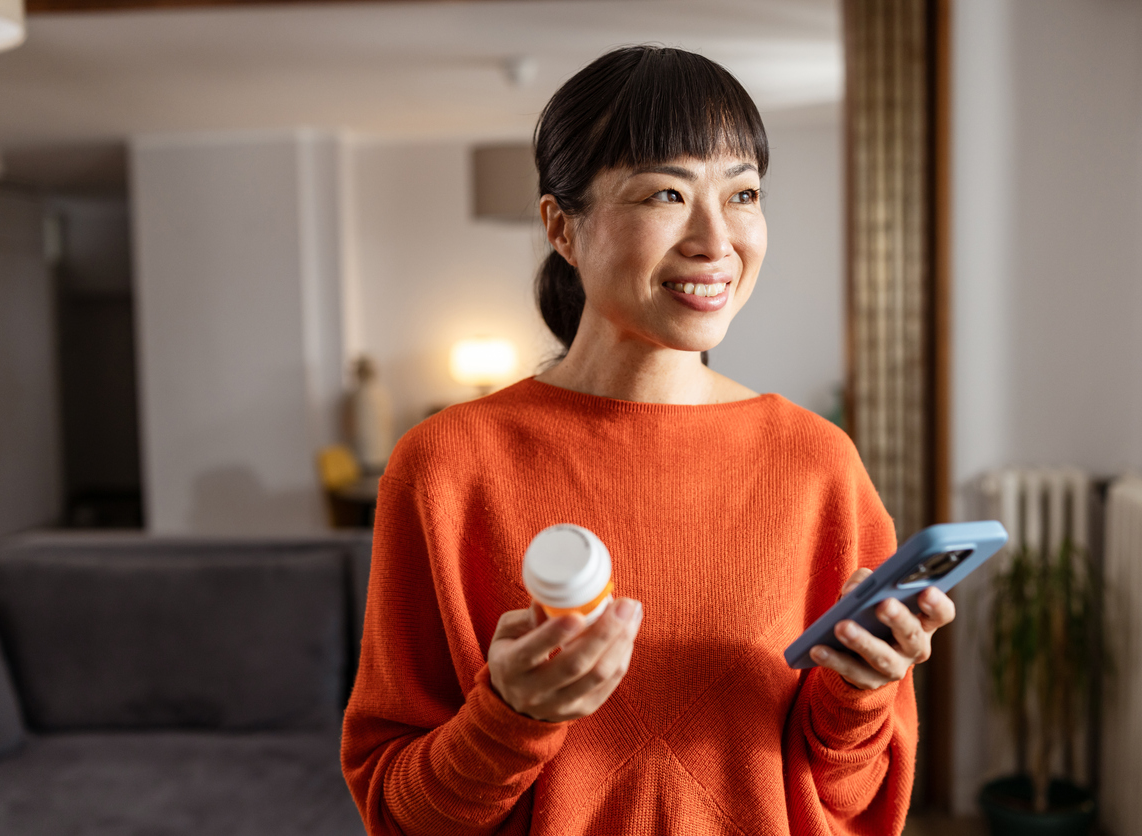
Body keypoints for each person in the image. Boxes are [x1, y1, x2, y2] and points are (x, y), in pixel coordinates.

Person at [342, 45, 955, 836]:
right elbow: (397, 813)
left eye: (742, 193)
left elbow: (851, 798)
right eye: (665, 192)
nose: (715, 240)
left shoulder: (816, 465)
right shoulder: (445, 468)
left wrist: (858, 695)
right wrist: (508, 717)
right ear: (560, 226)